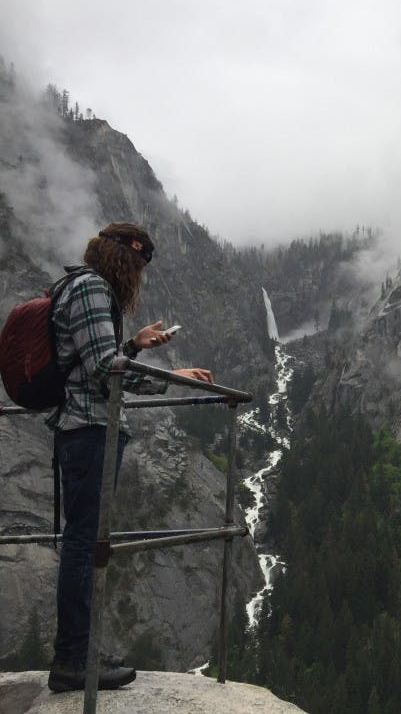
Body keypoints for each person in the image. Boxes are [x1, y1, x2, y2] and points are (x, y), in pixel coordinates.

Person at [46, 222, 213, 693]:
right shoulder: (92, 289)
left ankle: (79, 653)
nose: (137, 276)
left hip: (89, 429)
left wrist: (134, 345)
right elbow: (105, 371)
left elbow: (93, 359)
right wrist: (172, 377)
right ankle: (73, 659)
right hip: (88, 429)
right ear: (121, 258)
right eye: (136, 265)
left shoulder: (87, 289)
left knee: (84, 543)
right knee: (83, 546)